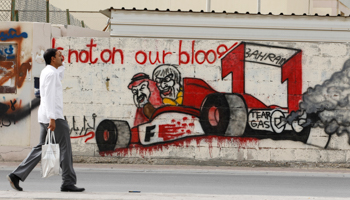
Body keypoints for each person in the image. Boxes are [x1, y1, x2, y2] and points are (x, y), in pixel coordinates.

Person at [7, 48, 84, 192]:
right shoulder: (51, 74)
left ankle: (16, 175)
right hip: (54, 117)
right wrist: (52, 119)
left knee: (41, 148)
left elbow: (59, 75)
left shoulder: (49, 72)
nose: (62, 57)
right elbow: (48, 96)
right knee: (65, 148)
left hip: (46, 116)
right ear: (52, 59)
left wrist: (63, 64)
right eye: (59, 55)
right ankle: (68, 182)